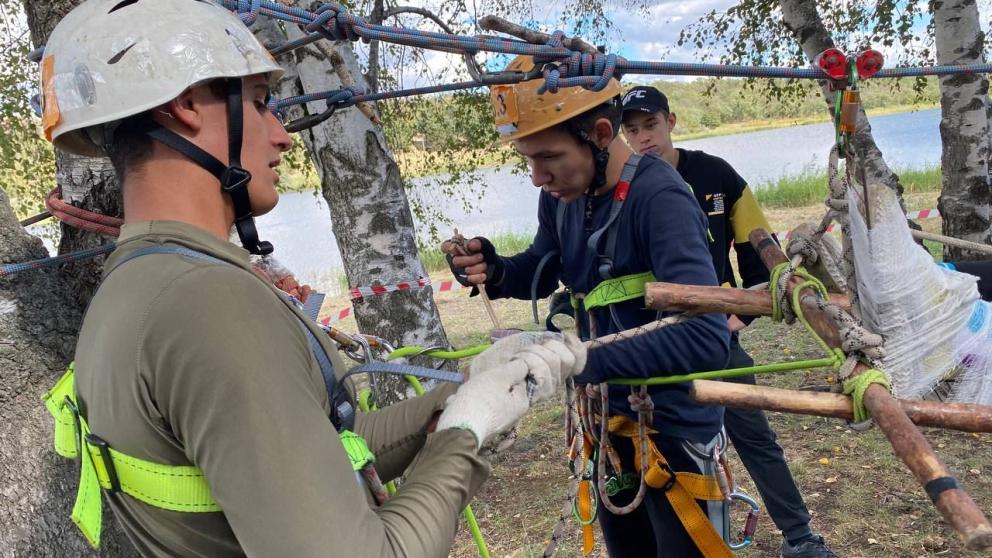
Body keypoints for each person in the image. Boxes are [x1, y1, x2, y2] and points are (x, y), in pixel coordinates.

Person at [41, 1, 585, 556]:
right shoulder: (206, 306)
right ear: (185, 104)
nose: (282, 135)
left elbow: (324, 444)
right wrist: (462, 438)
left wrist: (468, 389)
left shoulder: (136, 285)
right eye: (258, 104)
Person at [446, 56, 732, 557]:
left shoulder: (659, 198)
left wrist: (578, 357)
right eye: (528, 160)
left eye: (549, 157)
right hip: (607, 425)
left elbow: (704, 335)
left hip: (672, 429)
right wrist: (494, 271)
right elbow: (543, 264)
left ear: (601, 133)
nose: (538, 176)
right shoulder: (563, 195)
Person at [620, 85, 839, 558]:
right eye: (632, 130)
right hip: (653, 346)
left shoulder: (718, 177)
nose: (643, 139)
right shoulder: (624, 189)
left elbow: (763, 266)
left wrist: (732, 321)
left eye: (651, 126)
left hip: (715, 338)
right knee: (663, 451)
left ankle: (800, 538)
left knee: (754, 437)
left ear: (671, 122)